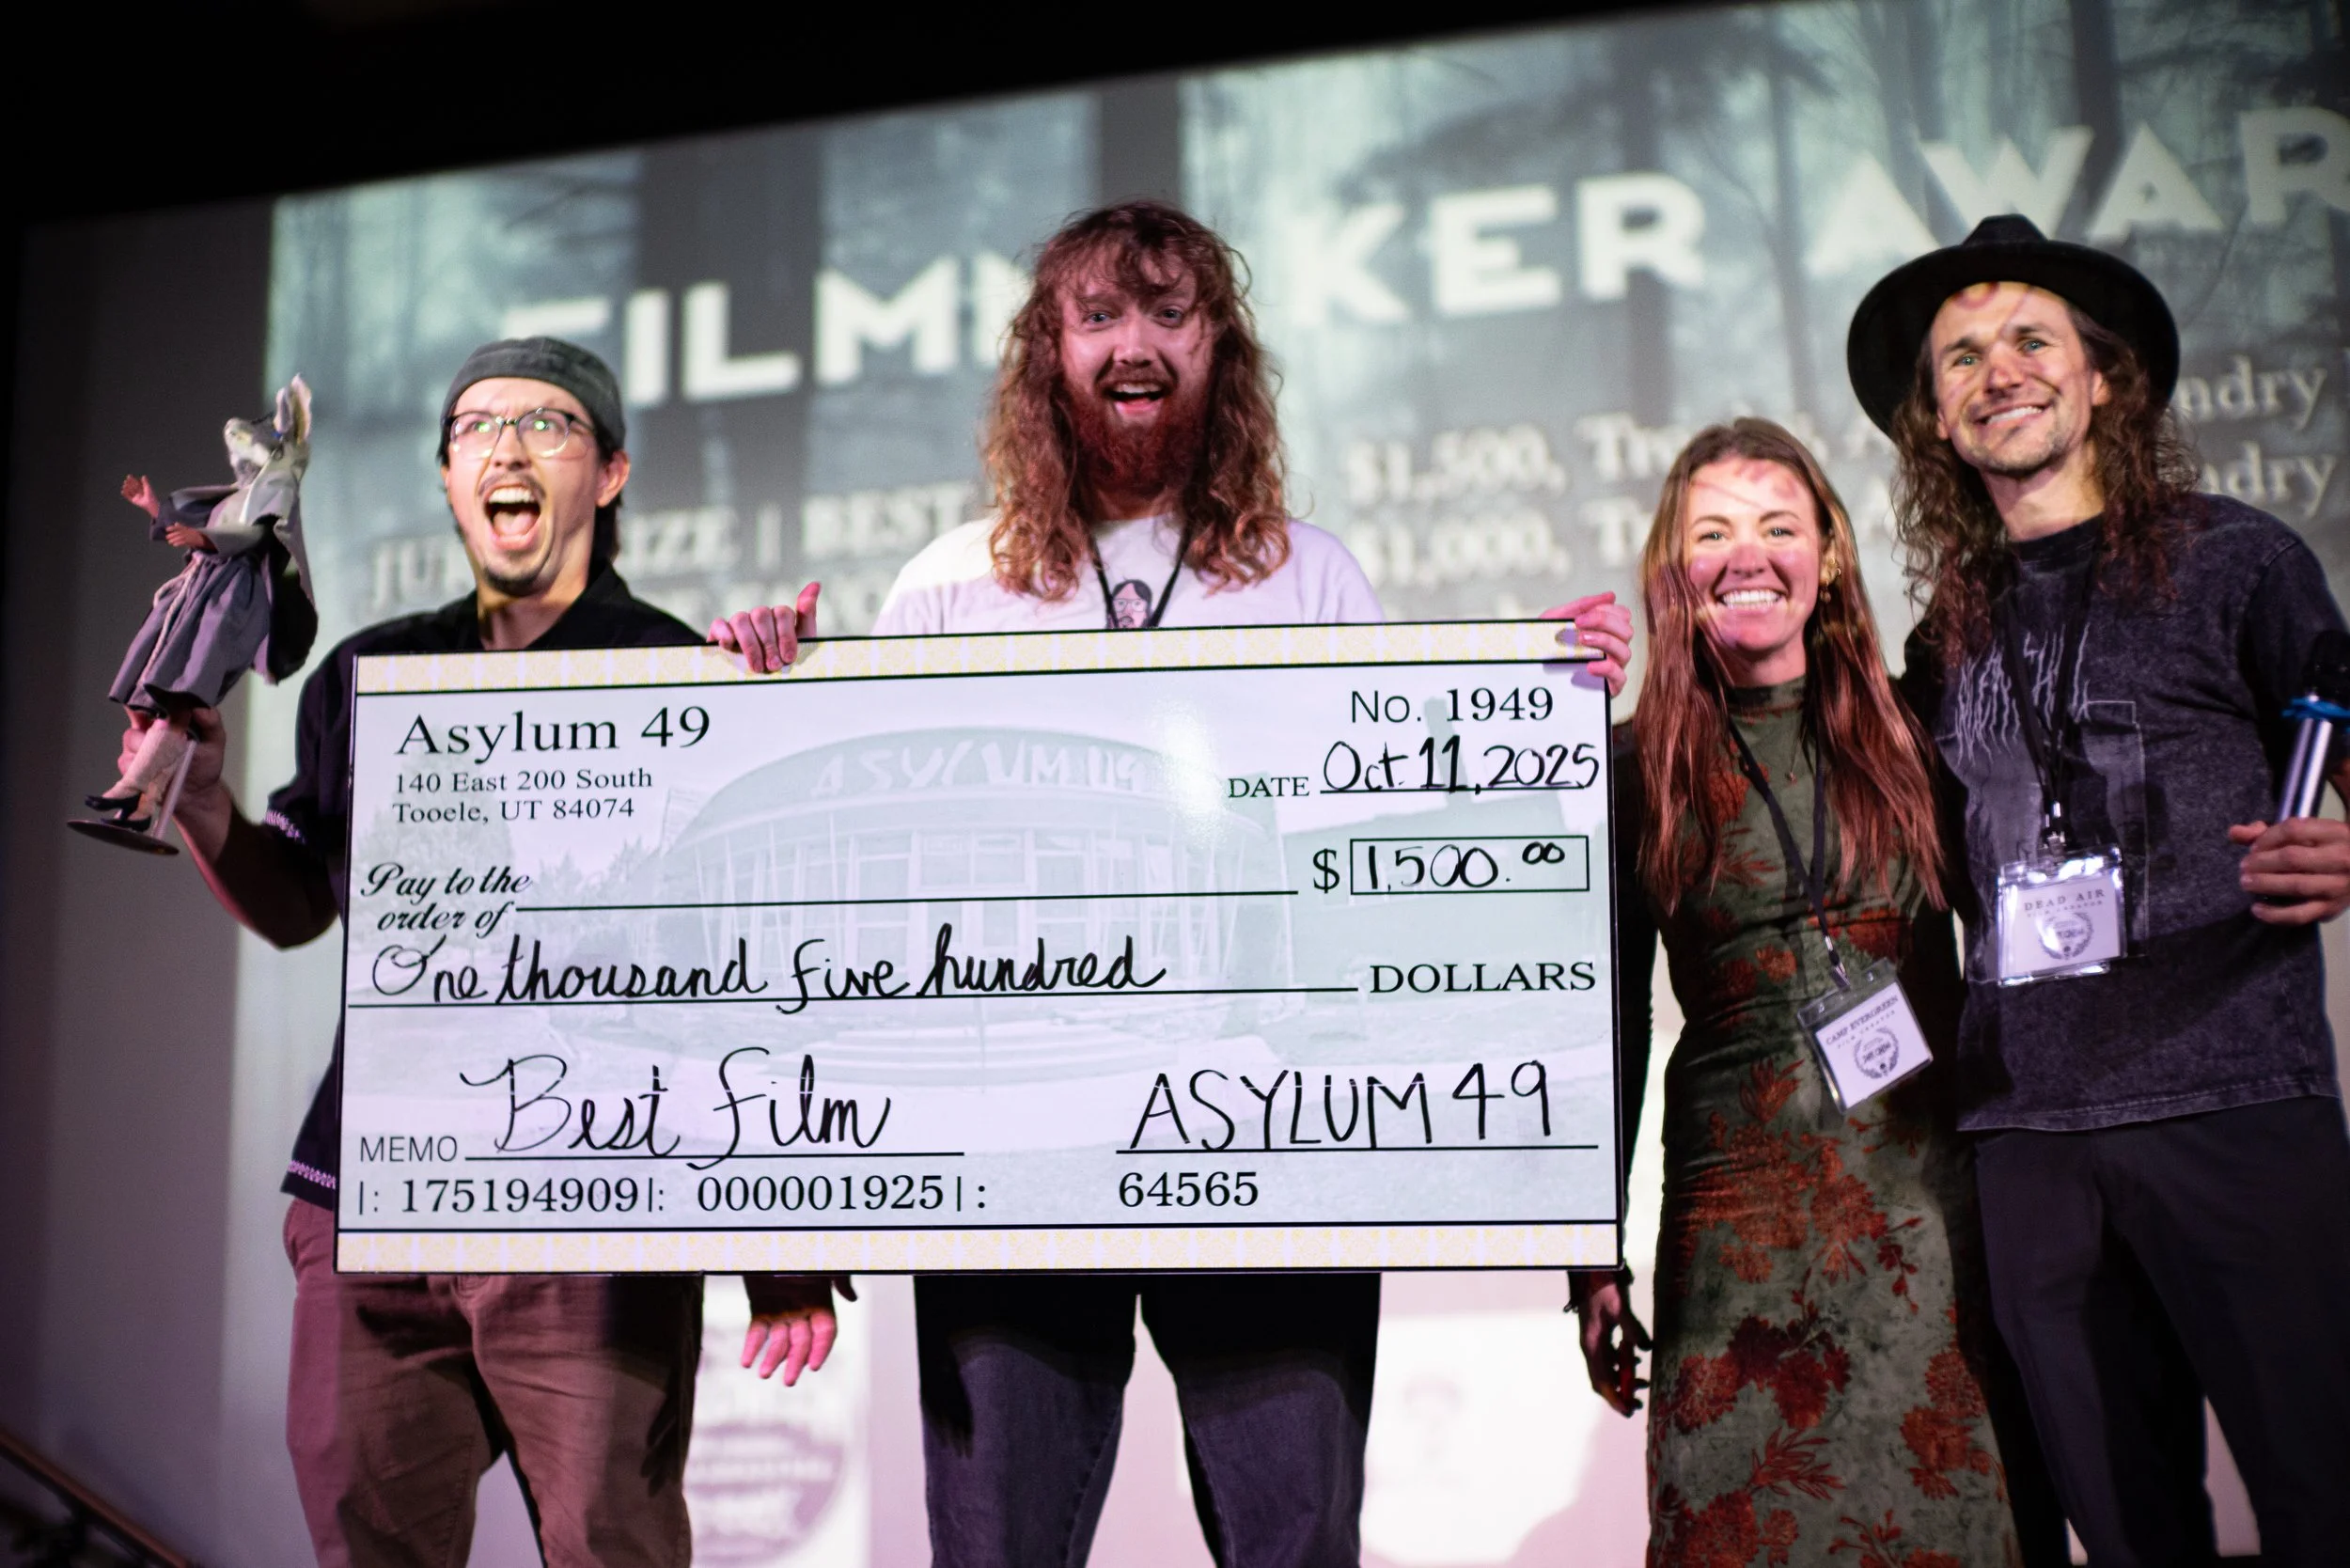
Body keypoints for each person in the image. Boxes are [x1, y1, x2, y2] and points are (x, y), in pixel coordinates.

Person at [873, 198, 1631, 1568]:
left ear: (1221, 350)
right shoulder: (943, 590)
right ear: (1048, 353)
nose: (1134, 345)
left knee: (1297, 1543)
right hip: (1013, 1169)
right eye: (1099, 316)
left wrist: (1535, 696)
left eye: (1170, 314)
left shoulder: (1312, 575)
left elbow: (1398, 854)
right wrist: (770, 675)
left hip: (1272, 1149)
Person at [139, 336, 839, 1568]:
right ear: (450, 481)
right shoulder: (368, 672)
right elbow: (304, 901)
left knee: (607, 1542)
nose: (507, 448)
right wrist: (201, 803)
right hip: (371, 1206)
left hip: (591, 1216)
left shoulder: (681, 669)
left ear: (612, 475)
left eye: (548, 426)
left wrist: (775, 1244)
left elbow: (744, 964)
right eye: (476, 429)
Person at [1854, 213, 2350, 1565]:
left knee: (2325, 1500)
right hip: (2029, 1138)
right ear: (1936, 420)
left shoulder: (2238, 558)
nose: (1996, 372)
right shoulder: (1943, 633)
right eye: (1960, 359)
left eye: (2029, 341)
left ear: (2105, 379)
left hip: (2236, 1102)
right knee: (2127, 1539)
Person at [1567, 417, 2057, 1565]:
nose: (1750, 555)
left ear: (1830, 555)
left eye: (1780, 527)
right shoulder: (1634, 766)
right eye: (1714, 532)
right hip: (1735, 1236)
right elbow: (1613, 1022)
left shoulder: (1914, 723)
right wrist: (1588, 1249)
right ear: (1670, 570)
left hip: (1932, 1214)